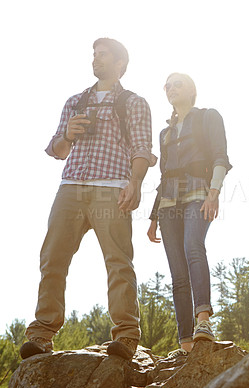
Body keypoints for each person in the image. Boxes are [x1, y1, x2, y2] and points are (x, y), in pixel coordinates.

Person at [20, 38, 156, 361]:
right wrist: (68, 134)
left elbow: (141, 149)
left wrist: (135, 183)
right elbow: (57, 150)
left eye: (103, 54)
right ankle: (41, 333)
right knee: (52, 258)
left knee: (119, 263)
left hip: (112, 188)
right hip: (71, 187)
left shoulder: (134, 103)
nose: (96, 58)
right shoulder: (76, 101)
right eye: (94, 54)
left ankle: (125, 336)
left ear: (119, 63)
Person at [147, 73, 231, 359]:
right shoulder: (165, 133)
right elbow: (162, 174)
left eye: (177, 84)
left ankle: (203, 321)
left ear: (192, 90)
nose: (171, 88)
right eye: (167, 85)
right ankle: (185, 342)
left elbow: (221, 157)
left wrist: (214, 192)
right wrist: (153, 216)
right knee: (177, 271)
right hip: (168, 202)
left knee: (193, 246)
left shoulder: (208, 117)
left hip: (199, 192)